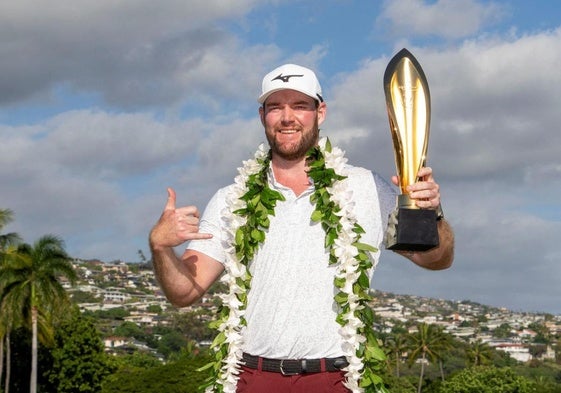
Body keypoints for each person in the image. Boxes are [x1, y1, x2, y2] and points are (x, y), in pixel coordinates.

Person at [149, 64, 454, 393]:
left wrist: (430, 214)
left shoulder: (366, 187)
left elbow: (435, 259)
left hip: (336, 378)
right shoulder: (231, 199)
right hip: (252, 377)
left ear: (320, 112)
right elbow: (184, 292)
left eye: (300, 106)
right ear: (262, 115)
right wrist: (161, 247)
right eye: (275, 106)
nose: (287, 117)